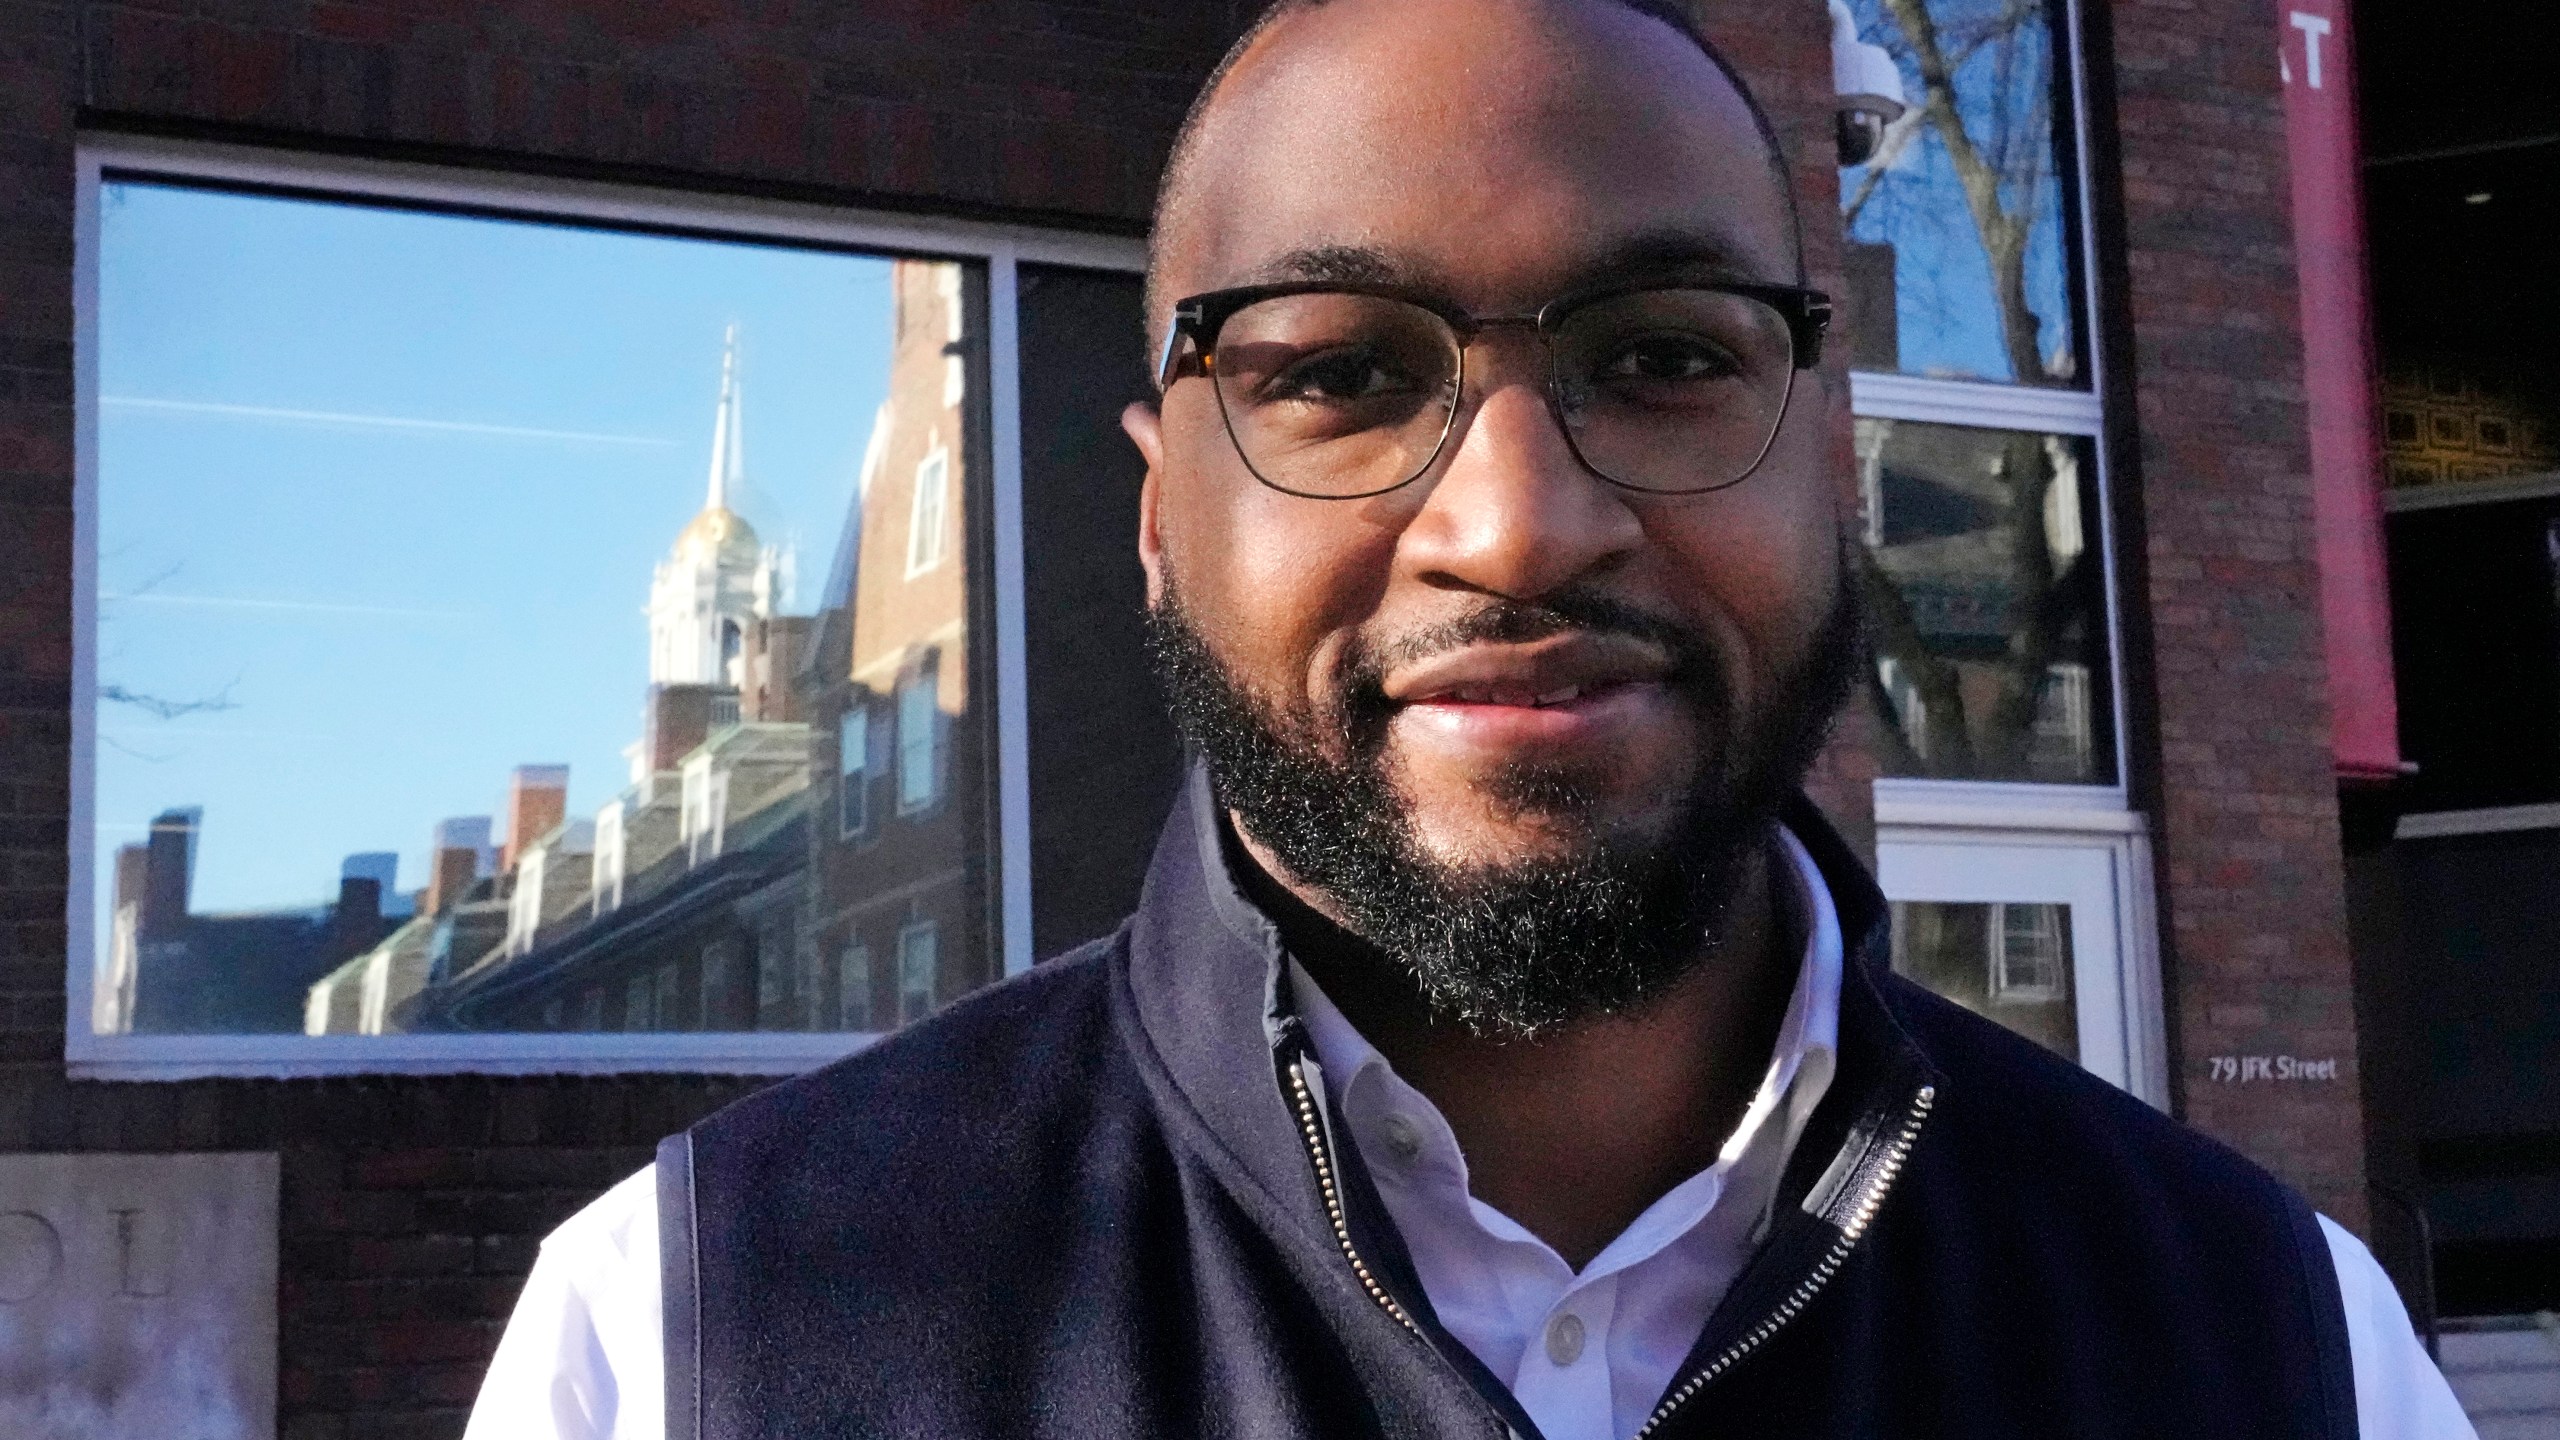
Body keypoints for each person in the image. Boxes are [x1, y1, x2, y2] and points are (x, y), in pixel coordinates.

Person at [466, 1, 2475, 1436]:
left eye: (1664, 355)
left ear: (1825, 461)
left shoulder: (2274, 1342)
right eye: (1337, 376)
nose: (1513, 519)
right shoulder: (698, 1341)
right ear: (1159, 514)